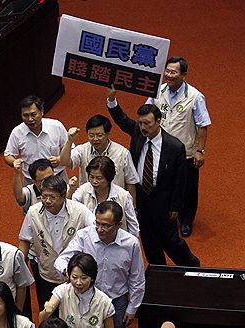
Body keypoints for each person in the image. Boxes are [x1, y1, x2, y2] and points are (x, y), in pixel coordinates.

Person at [54, 201, 145, 328]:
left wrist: (132, 309)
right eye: (97, 223)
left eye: (106, 225)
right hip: (86, 299)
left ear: (118, 225)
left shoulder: (130, 244)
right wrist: (71, 276)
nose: (100, 229)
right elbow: (61, 260)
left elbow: (137, 279)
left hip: (116, 301)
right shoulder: (84, 236)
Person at [107, 86, 201, 267]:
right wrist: (112, 100)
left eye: (147, 123)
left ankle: (191, 265)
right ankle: (158, 270)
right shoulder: (137, 131)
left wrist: (176, 206)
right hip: (141, 195)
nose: (142, 127)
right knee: (148, 237)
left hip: (163, 199)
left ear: (159, 121)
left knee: (170, 239)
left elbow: (180, 181)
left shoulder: (175, 147)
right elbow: (121, 119)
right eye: (141, 123)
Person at [146, 56, 211, 237]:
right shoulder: (157, 91)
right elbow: (146, 113)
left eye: (174, 72)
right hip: (160, 149)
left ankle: (186, 219)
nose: (169, 75)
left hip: (186, 152)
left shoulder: (195, 97)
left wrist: (200, 150)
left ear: (184, 75)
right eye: (167, 71)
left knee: (188, 187)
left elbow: (202, 125)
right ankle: (165, 216)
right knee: (163, 183)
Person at [19, 175, 95, 310]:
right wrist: (20, 267)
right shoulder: (33, 212)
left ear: (63, 195)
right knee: (49, 312)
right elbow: (24, 240)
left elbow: (95, 235)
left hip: (75, 278)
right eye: (44, 196)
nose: (47, 201)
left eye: (52, 197)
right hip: (47, 274)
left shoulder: (80, 211)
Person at [59, 114, 139, 205]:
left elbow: (130, 182)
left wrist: (133, 207)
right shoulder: (82, 150)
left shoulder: (122, 153)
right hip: (89, 204)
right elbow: (64, 162)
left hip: (115, 204)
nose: (95, 139)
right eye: (91, 135)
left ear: (108, 134)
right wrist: (69, 141)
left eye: (99, 135)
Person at [4, 95, 68, 185]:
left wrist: (59, 159)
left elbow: (71, 149)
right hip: (31, 181)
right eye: (25, 115)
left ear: (41, 111)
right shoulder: (17, 132)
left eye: (33, 114)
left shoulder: (56, 126)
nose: (30, 119)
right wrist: (14, 161)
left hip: (57, 176)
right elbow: (8, 155)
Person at [71, 155, 139, 237]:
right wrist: (70, 191)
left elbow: (133, 228)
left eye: (99, 178)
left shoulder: (123, 196)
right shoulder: (83, 190)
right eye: (91, 177)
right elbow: (71, 209)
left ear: (109, 178)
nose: (94, 181)